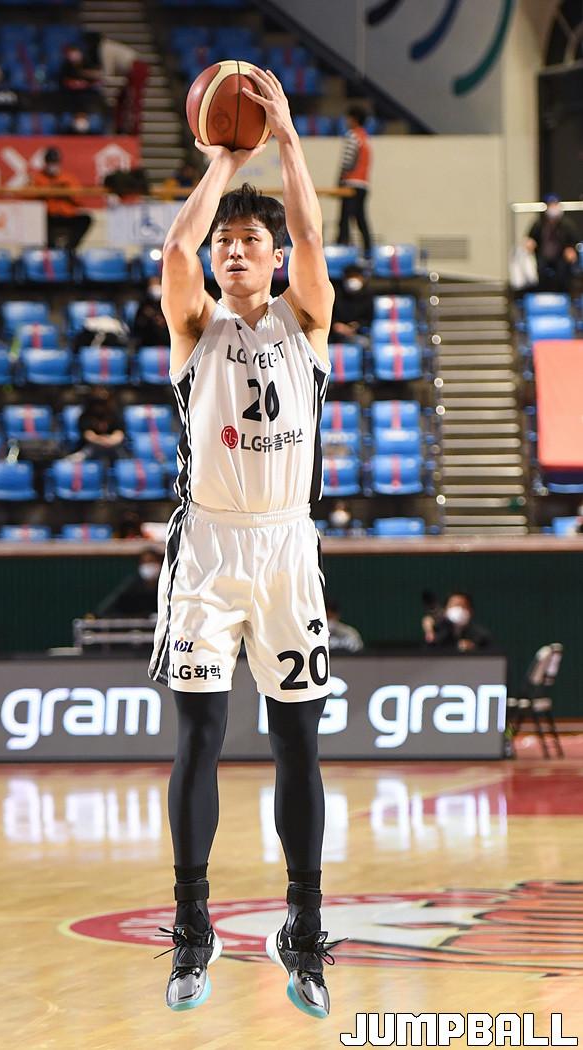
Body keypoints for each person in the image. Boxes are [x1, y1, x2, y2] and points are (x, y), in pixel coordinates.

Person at [148, 67, 340, 1017]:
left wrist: (290, 141)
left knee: (297, 741)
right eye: (226, 241)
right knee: (200, 736)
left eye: (250, 241)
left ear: (274, 259)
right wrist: (224, 161)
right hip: (209, 554)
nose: (233, 249)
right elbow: (174, 247)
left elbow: (313, 233)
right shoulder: (195, 326)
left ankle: (303, 926)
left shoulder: (308, 319)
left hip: (287, 552)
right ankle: (193, 927)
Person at [31, 147, 92, 251]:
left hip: (67, 216)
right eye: (50, 162)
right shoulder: (38, 178)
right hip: (49, 216)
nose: (52, 165)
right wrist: (46, 192)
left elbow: (80, 199)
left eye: (55, 162)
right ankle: (51, 250)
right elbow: (28, 196)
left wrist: (66, 193)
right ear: (45, 163)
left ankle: (70, 249)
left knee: (85, 219)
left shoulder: (68, 178)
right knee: (38, 220)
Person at [336, 105, 373, 256]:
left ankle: (342, 247)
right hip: (363, 184)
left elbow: (348, 162)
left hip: (351, 184)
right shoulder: (365, 138)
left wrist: (340, 179)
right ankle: (368, 249)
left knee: (345, 218)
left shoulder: (353, 136)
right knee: (360, 218)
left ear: (354, 119)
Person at [525, 195, 579, 293]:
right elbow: (531, 238)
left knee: (563, 269)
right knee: (538, 268)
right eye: (551, 206)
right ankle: (539, 292)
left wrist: (571, 249)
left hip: (560, 256)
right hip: (543, 255)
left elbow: (574, 240)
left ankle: (563, 293)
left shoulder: (567, 225)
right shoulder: (539, 224)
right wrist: (531, 244)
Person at [94, 548, 162, 618]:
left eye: (152, 561)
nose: (150, 566)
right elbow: (105, 610)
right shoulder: (131, 585)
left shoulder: (164, 584)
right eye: (146, 562)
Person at [422, 591, 492, 652]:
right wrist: (429, 632)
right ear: (445, 610)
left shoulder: (481, 636)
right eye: (453, 605)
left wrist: (473, 648)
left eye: (462, 606)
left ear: (471, 610)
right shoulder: (438, 633)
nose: (458, 609)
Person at [75, 387, 125, 461]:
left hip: (113, 446)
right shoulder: (86, 416)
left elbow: (119, 435)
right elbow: (89, 436)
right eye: (97, 401)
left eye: (103, 402)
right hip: (91, 447)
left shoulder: (115, 414)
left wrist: (109, 441)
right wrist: (102, 441)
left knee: (123, 458)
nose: (100, 405)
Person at [330, 264, 374, 343]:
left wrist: (357, 325)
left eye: (356, 276)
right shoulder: (335, 292)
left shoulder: (368, 295)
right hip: (333, 333)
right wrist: (335, 325)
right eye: (350, 277)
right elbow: (328, 314)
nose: (353, 280)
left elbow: (368, 319)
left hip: (357, 333)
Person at [133, 276, 168, 346]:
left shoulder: (167, 303)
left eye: (157, 284)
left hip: (166, 341)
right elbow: (138, 326)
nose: (155, 287)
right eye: (152, 284)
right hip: (147, 341)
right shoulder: (143, 304)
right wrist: (151, 317)